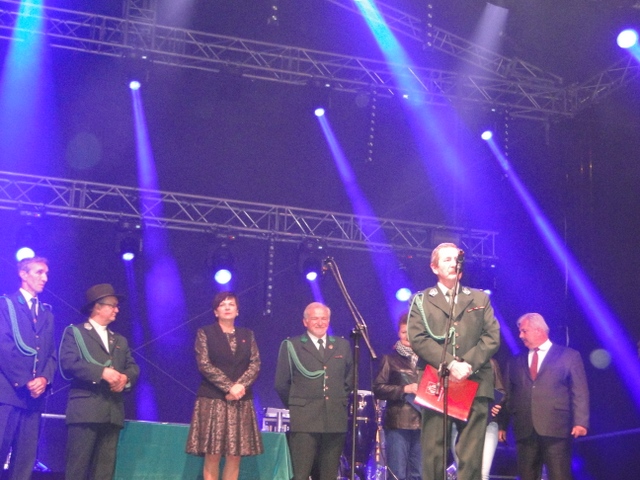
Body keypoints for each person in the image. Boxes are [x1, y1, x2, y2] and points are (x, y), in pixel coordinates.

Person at [407, 242, 500, 480]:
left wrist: (467, 364)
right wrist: (451, 364)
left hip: (474, 379)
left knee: (472, 454)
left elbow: (492, 337)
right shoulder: (421, 300)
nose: (453, 263)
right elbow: (418, 338)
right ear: (434, 267)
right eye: (446, 259)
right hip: (437, 381)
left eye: (456, 259)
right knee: (433, 451)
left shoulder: (479, 297)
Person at [59, 283, 140, 480]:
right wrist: (101, 372)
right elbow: (68, 363)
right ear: (97, 307)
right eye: (112, 305)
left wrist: (125, 378)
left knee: (104, 472)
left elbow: (133, 367)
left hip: (112, 412)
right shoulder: (76, 332)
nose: (116, 310)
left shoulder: (119, 339)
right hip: (85, 411)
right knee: (77, 469)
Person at [498, 313, 589, 480]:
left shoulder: (569, 356)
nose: (520, 336)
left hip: (556, 428)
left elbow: (579, 391)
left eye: (524, 331)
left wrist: (580, 422)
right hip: (525, 429)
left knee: (559, 475)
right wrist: (502, 424)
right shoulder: (515, 361)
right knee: (527, 475)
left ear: (538, 330)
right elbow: (509, 395)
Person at [186, 292, 263, 480]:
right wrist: (229, 387)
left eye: (231, 304)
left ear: (237, 311)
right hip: (213, 399)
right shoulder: (205, 333)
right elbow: (204, 364)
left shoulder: (247, 334)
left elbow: (255, 364)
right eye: (222, 304)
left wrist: (239, 387)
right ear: (216, 311)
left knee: (234, 454)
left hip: (240, 400)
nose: (227, 307)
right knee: (213, 453)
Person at [274, 302, 354, 480]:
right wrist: (298, 405)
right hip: (304, 420)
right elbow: (281, 383)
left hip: (334, 419)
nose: (320, 322)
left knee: (328, 475)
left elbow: (349, 380)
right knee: (300, 474)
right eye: (315, 318)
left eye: (324, 318)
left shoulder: (342, 345)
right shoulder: (292, 345)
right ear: (305, 322)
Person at [0, 257, 56, 480]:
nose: (45, 278)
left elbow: (51, 353)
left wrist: (44, 379)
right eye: (39, 272)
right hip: (8, 393)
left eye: (46, 273)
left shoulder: (46, 313)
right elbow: (4, 346)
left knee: (24, 459)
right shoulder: (6, 305)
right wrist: (25, 380)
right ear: (23, 274)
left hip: (34, 398)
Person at [373, 314, 422, 480]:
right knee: (397, 473)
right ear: (398, 333)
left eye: (411, 332)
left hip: (423, 422)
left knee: (420, 474)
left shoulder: (428, 360)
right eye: (403, 332)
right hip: (398, 423)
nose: (407, 336)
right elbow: (378, 388)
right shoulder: (390, 359)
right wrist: (404, 389)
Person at [449, 358, 505, 480]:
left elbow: (500, 390)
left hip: (487, 422)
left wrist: (498, 405)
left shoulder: (490, 362)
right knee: (464, 472)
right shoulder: (454, 361)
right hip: (458, 422)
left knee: (483, 474)